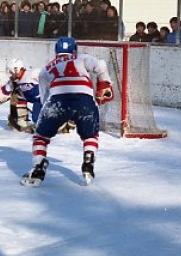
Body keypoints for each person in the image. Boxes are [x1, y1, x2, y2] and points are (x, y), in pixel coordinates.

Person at [20, 37, 114, 187]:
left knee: (40, 136)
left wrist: (49, 117)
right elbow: (101, 65)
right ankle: (88, 161)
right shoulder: (81, 58)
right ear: (74, 50)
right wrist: (105, 84)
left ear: (56, 51)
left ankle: (38, 168)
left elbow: (44, 96)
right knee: (90, 134)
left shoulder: (47, 68)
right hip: (84, 99)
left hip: (57, 100)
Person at [0, 58, 41, 133]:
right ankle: (20, 120)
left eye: (11, 72)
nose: (10, 75)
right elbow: (3, 93)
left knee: (39, 120)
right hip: (35, 99)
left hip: (47, 99)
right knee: (15, 95)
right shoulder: (14, 82)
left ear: (17, 69)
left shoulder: (33, 74)